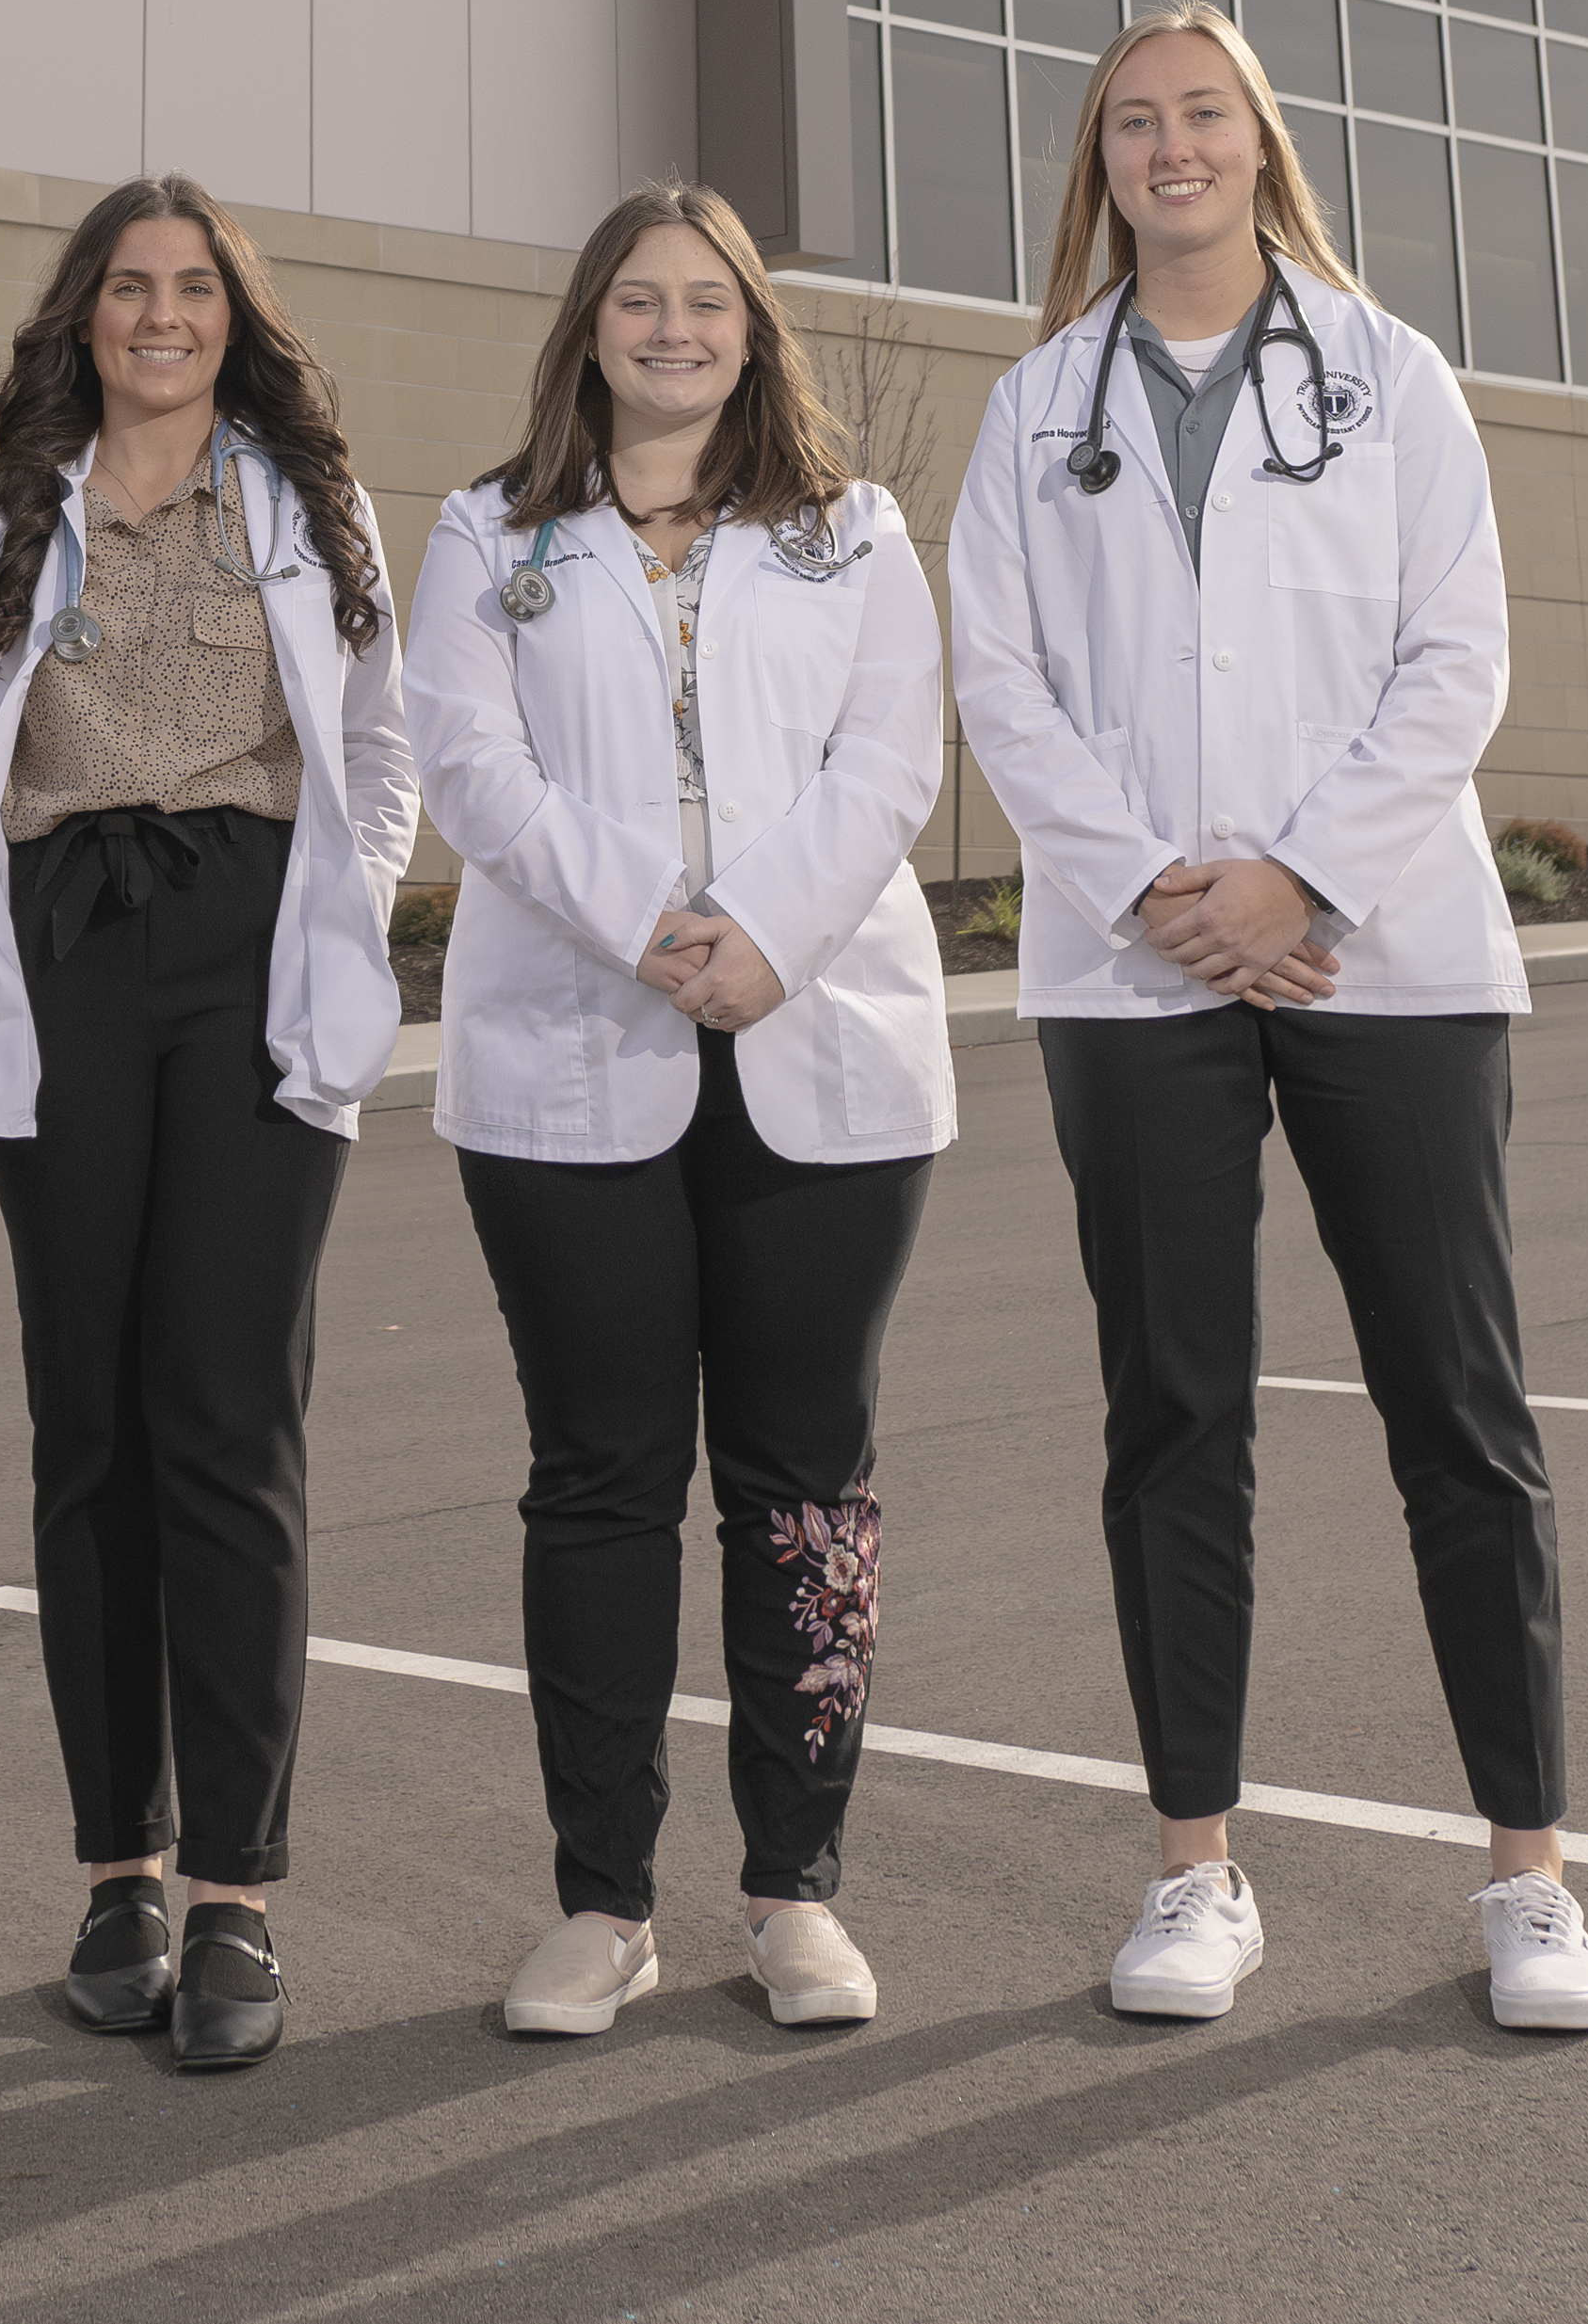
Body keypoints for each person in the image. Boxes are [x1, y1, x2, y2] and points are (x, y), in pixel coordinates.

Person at [942, 5, 1588, 2039]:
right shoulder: (1034, 405)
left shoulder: (1388, 373)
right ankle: (1193, 1869)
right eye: (1131, 122)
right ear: (1099, 165)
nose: (1169, 147)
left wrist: (1298, 879)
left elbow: (1457, 656)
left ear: (1259, 144)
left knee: (1459, 1412)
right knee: (1174, 1412)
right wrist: (1162, 887)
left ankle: (1530, 1880)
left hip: (1380, 953)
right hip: (1135, 959)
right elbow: (999, 681)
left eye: (1202, 114)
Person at [404, 185, 952, 2045]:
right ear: (589, 326)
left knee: (804, 1483)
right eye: (637, 299)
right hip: (569, 1047)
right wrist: (648, 923)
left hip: (822, 1046)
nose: (671, 327)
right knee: (601, 1479)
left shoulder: (849, 530)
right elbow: (470, 764)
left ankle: (796, 1891)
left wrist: (765, 934)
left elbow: (890, 760)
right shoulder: (491, 529)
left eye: (706, 299)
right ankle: (601, 1902)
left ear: (750, 329)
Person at [0, 178, 415, 2074]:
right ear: (82, 316)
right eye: (127, 286)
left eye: (194, 287)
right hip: (62, 949)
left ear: (234, 315)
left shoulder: (307, 504)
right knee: (89, 1421)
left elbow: (378, 745)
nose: (160, 314)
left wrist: (346, 912)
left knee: (227, 1415)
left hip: (251, 942)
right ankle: (118, 1867)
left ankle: (233, 1893)